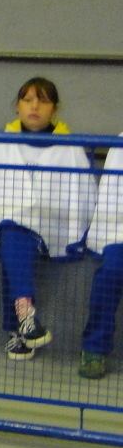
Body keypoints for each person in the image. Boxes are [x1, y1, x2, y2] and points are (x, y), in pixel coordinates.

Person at [0, 78, 96, 361]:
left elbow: (82, 196)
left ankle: (17, 330)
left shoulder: (70, 148)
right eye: (28, 100)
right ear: (17, 106)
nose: (34, 106)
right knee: (13, 234)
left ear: (54, 109)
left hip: (50, 224)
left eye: (43, 101)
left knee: (12, 247)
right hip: (10, 223)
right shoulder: (1, 142)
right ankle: (26, 318)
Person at [81, 136, 123, 379]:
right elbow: (112, 196)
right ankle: (94, 348)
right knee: (110, 273)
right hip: (120, 232)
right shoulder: (121, 143)